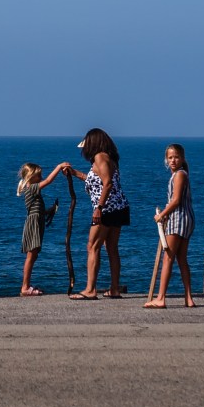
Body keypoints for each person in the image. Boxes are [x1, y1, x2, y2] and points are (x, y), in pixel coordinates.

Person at [63, 128, 130, 300]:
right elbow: (96, 180)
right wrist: (75, 173)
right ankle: (114, 289)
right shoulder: (107, 158)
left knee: (92, 246)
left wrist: (99, 208)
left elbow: (107, 183)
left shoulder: (100, 157)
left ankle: (90, 289)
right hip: (119, 207)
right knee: (112, 249)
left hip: (107, 208)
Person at [144, 143, 196, 309]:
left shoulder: (180, 175)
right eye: (170, 157)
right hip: (185, 218)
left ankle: (161, 298)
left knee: (168, 258)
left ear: (182, 158)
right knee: (181, 259)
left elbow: (176, 201)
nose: (173, 160)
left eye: (176, 157)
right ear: (166, 159)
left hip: (179, 218)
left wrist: (161, 215)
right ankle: (188, 298)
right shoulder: (180, 174)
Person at [17, 162, 63, 296]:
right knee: (31, 255)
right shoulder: (31, 188)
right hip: (34, 224)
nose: (42, 177)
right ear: (31, 177)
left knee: (33, 255)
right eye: (38, 175)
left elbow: (37, 210)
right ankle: (25, 287)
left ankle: (26, 285)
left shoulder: (33, 190)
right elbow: (49, 180)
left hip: (37, 222)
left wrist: (50, 210)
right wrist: (59, 167)